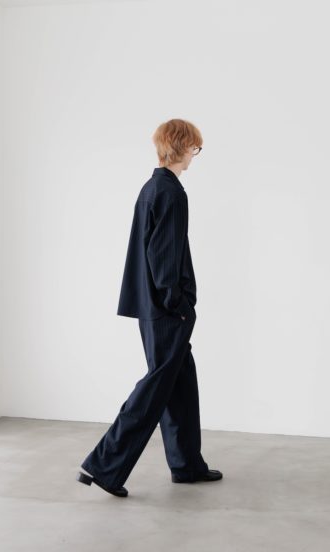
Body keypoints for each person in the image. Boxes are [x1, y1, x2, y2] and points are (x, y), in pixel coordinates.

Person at [76, 118, 223, 497]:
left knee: (180, 382)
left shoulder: (151, 188)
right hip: (166, 309)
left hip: (151, 306)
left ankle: (187, 464)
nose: (195, 155)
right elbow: (163, 255)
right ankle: (103, 466)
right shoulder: (171, 192)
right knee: (155, 388)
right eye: (194, 148)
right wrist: (179, 304)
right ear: (181, 147)